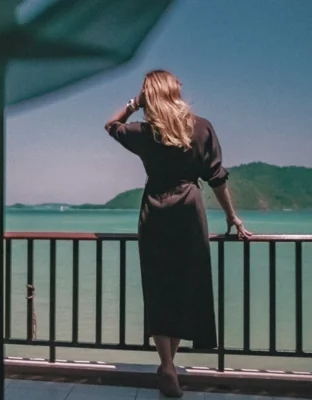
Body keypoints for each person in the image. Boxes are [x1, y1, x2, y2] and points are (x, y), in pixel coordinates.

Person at [104, 70, 251, 398]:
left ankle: (166, 363)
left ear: (149, 96)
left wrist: (132, 104)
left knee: (159, 286)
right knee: (186, 283)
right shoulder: (201, 127)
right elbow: (216, 177)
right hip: (189, 209)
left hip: (154, 210)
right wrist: (233, 217)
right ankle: (173, 360)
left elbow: (110, 126)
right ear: (175, 92)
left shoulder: (144, 132)